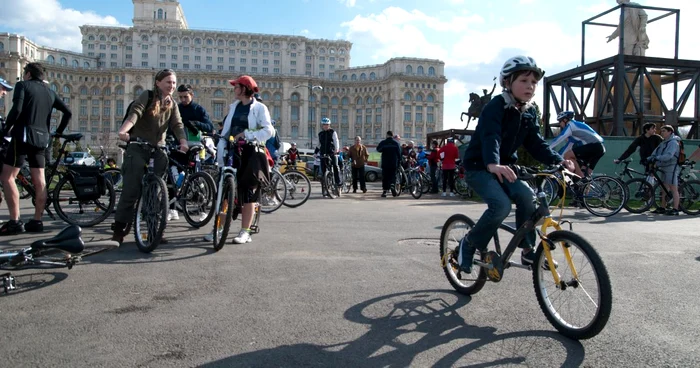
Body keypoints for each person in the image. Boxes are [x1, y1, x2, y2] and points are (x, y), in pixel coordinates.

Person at [458, 55, 574, 273]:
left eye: (533, 82)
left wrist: (559, 160)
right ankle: (470, 243)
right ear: (507, 82)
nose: (530, 86)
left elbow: (536, 143)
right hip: (479, 167)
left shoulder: (528, 111)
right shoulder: (496, 106)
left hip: (506, 168)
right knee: (500, 206)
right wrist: (493, 163)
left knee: (529, 201)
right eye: (523, 81)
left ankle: (528, 251)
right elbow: (490, 136)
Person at [111, 69, 188, 244]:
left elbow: (177, 125)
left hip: (158, 149)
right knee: (131, 189)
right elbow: (135, 113)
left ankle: (155, 230)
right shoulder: (147, 95)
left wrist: (183, 142)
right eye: (168, 82)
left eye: (174, 83)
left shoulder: (173, 104)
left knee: (157, 192)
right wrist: (123, 130)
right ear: (158, 82)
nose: (172, 86)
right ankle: (118, 230)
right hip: (138, 147)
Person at [1, 63, 72, 235]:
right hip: (42, 140)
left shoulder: (22, 85)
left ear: (28, 74)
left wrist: (6, 128)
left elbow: (16, 109)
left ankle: (15, 222)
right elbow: (68, 112)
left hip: (23, 136)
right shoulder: (50, 92)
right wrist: (58, 132)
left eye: (25, 73)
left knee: (8, 177)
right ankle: (37, 221)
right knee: (40, 181)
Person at [205, 75, 273, 244]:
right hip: (232, 151)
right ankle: (218, 228)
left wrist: (248, 135)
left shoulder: (259, 108)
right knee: (225, 191)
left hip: (250, 153)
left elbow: (268, 131)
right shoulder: (234, 107)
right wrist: (220, 149)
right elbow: (226, 131)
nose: (233, 89)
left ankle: (245, 231)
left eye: (236, 87)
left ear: (244, 89)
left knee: (248, 192)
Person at [548, 111, 605, 178]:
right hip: (600, 148)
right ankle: (585, 186)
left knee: (568, 155)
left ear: (565, 120)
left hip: (593, 146)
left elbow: (559, 138)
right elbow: (569, 146)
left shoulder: (571, 126)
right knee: (585, 171)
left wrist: (547, 148)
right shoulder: (577, 127)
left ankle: (580, 179)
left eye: (560, 121)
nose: (560, 124)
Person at [647, 125, 681, 215]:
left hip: (671, 167)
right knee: (664, 188)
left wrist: (657, 158)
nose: (662, 132)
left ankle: (675, 209)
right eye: (661, 131)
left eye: (664, 131)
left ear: (670, 132)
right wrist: (649, 158)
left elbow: (669, 155)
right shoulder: (663, 142)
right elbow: (656, 152)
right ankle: (662, 207)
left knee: (673, 188)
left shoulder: (673, 142)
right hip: (663, 166)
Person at [318, 117, 341, 195]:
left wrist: (336, 150)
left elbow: (336, 141)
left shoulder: (333, 132)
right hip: (323, 153)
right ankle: (325, 186)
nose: (325, 126)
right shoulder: (320, 134)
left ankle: (338, 183)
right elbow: (318, 144)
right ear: (322, 125)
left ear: (329, 125)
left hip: (331, 152)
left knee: (335, 166)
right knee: (323, 171)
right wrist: (315, 153)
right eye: (324, 125)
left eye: (327, 125)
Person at [376, 130, 401, 197]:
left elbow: (378, 150)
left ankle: (385, 191)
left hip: (385, 162)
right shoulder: (396, 143)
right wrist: (399, 162)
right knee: (393, 176)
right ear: (392, 135)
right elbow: (399, 154)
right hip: (393, 162)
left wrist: (384, 148)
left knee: (385, 177)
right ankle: (393, 185)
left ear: (387, 135)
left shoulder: (383, 142)